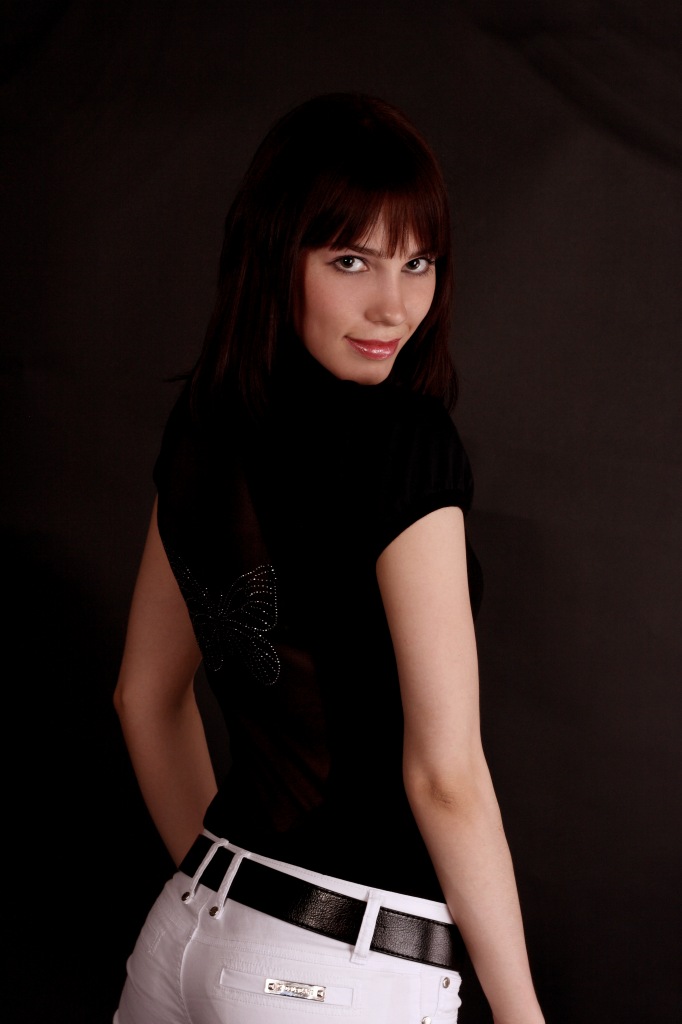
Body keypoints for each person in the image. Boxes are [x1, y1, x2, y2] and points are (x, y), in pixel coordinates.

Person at [113, 92, 545, 1024]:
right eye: (350, 260)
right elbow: (445, 778)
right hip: (332, 973)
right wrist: (522, 1014)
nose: (395, 304)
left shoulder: (203, 426)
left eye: (418, 262)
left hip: (185, 929)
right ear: (278, 256)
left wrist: (231, 908)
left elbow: (142, 696)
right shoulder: (405, 444)